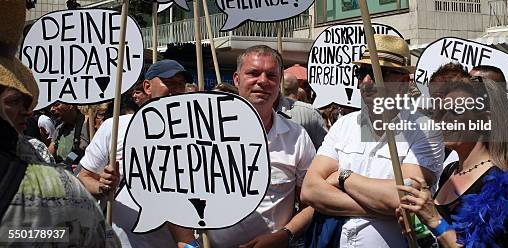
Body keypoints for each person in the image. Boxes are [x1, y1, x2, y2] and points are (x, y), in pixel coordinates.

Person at [0, 0, 118, 247]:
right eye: (15, 100)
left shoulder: (58, 189)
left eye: (26, 101)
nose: (28, 111)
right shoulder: (61, 193)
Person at [301, 35, 444, 247]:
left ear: (404, 83)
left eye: (380, 73)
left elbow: (403, 199)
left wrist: (343, 177)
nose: (367, 81)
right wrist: (380, 207)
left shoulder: (424, 130)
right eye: (362, 72)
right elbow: (310, 190)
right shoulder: (344, 125)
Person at [397, 78, 508, 247]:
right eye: (441, 112)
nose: (442, 120)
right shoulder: (450, 170)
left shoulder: (505, 184)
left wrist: (434, 220)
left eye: (455, 111)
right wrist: (416, 230)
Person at [78, 59, 196, 248]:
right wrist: (102, 185)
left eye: (181, 85)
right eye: (170, 83)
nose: (176, 90)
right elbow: (83, 177)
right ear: (148, 87)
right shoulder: (116, 127)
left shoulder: (195, 133)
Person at [207, 45, 316, 247]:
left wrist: (284, 235)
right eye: (254, 73)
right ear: (237, 79)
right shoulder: (205, 132)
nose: (263, 81)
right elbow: (177, 193)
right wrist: (187, 242)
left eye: (271, 76)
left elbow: (312, 202)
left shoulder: (297, 136)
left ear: (279, 83)